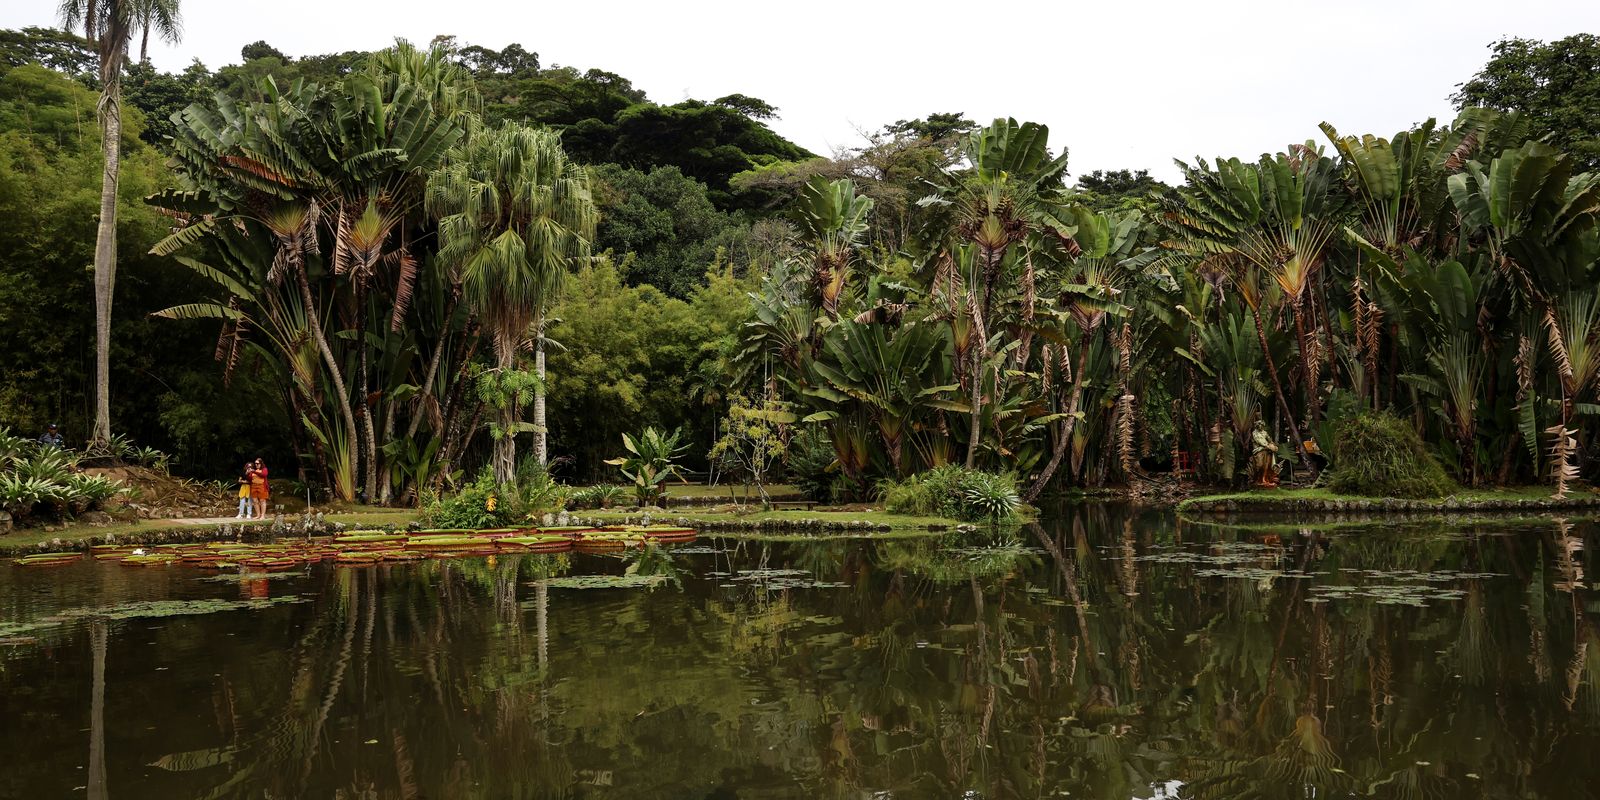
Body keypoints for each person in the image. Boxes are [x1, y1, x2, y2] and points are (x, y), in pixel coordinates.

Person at [1250, 419, 1280, 488]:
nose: (1260, 426)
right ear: (1256, 426)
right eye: (1259, 425)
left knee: (1266, 466)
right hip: (1259, 451)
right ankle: (1257, 479)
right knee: (1260, 465)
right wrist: (1269, 446)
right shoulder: (1255, 433)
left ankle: (1264, 479)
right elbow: (1259, 441)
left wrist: (1273, 445)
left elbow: (1269, 440)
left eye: (1261, 425)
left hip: (1267, 451)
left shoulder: (1264, 432)